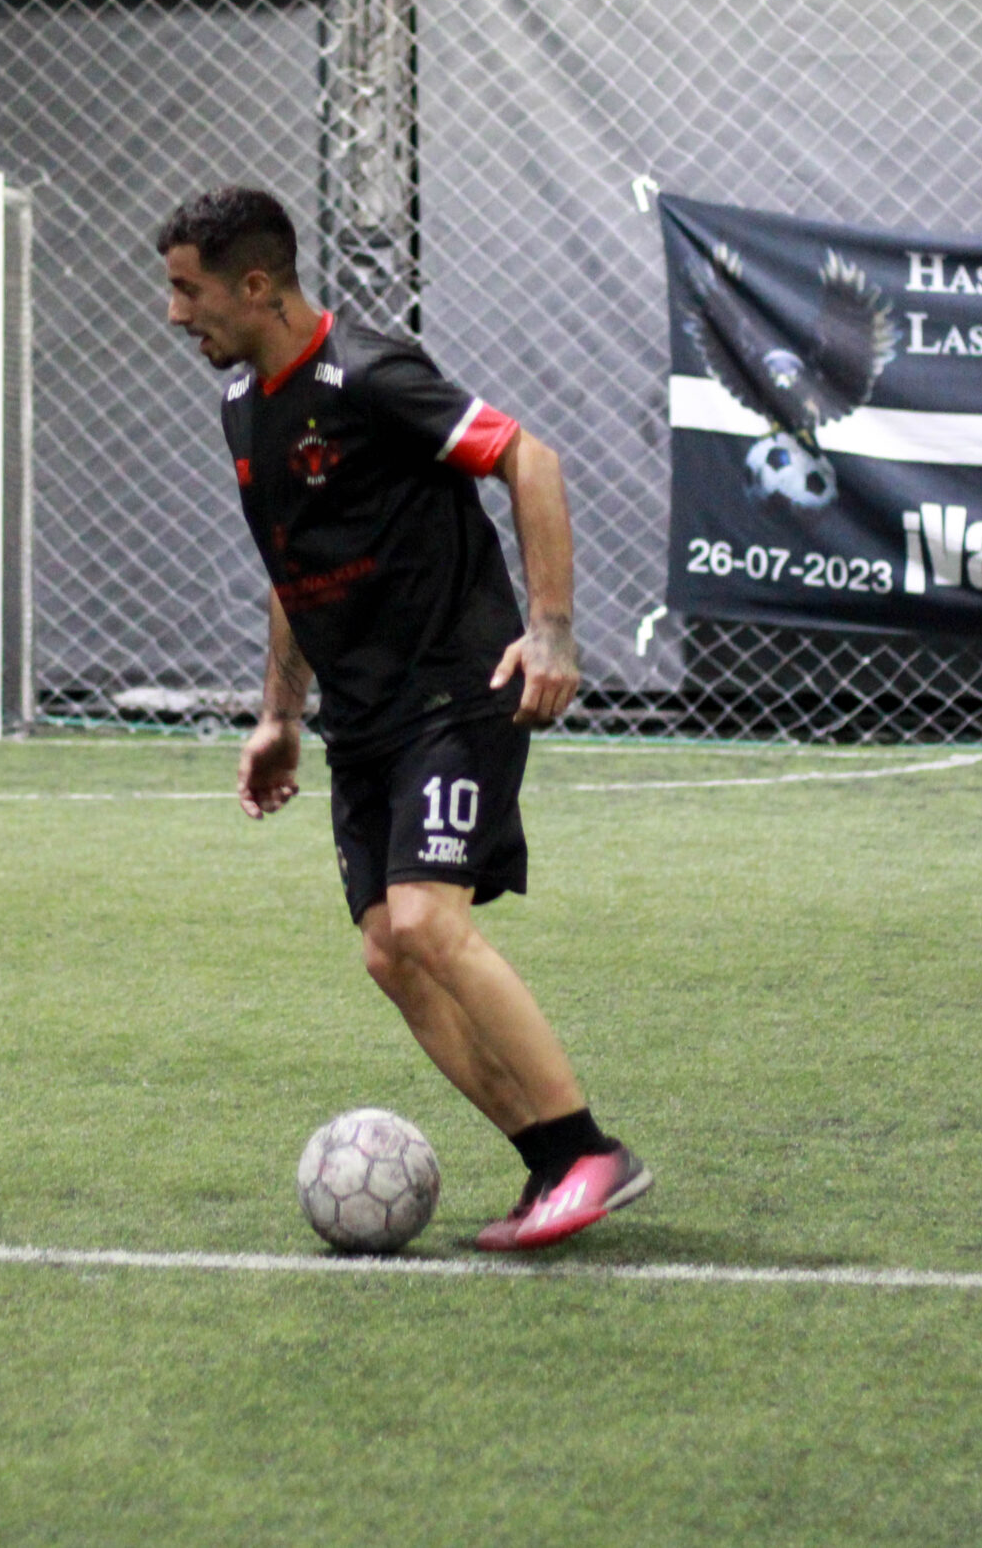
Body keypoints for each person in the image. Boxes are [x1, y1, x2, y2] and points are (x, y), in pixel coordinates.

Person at [157, 187, 650, 1251]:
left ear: (256, 284)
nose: (174, 313)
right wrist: (280, 716)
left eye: (188, 290)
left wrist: (551, 630)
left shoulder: (372, 374)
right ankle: (547, 1162)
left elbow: (529, 459)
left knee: (428, 921)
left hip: (454, 690)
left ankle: (591, 1151)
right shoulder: (243, 406)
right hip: (362, 720)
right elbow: (291, 569)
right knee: (390, 951)